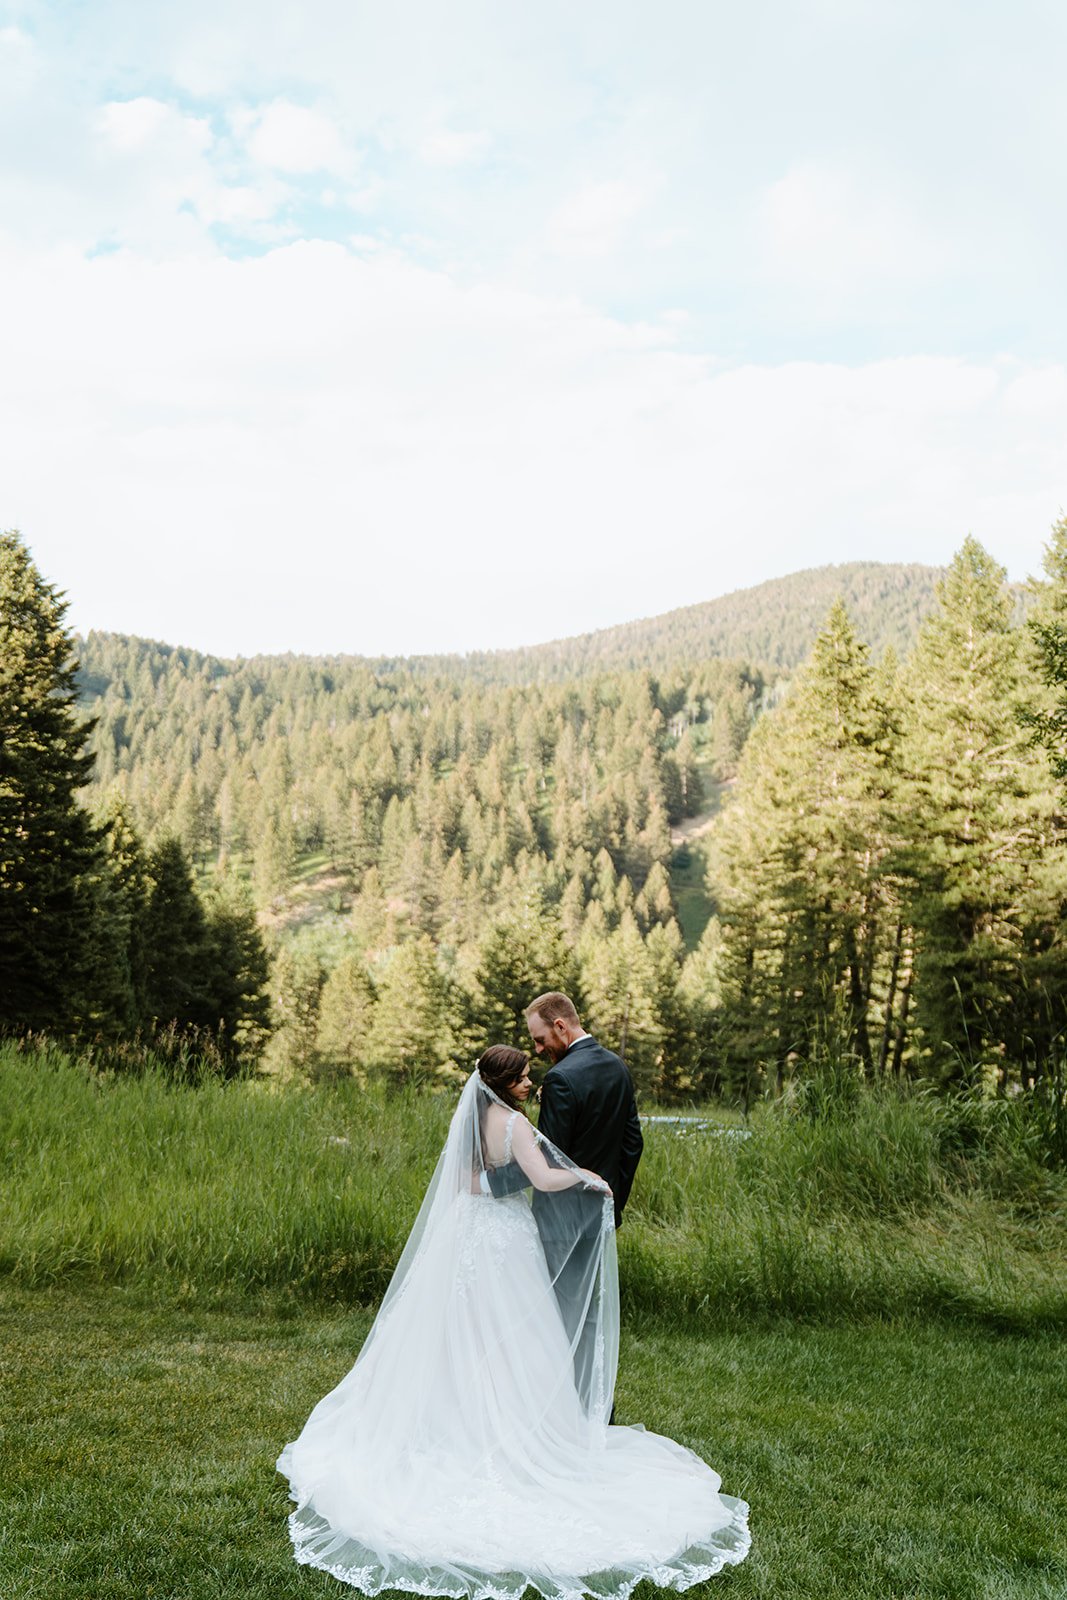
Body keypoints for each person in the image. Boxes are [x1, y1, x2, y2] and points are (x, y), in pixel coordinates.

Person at [277, 1047, 750, 1600]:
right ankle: (511, 1429)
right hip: (503, 1241)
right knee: (514, 1334)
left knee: (460, 1332)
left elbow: (465, 1182)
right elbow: (542, 1181)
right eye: (523, 1078)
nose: (532, 1083)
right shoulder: (516, 1126)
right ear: (503, 1083)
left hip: (463, 1236)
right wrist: (588, 1179)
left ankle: (451, 1418)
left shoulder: (471, 1120)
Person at [525, 991, 644, 1409]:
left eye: (541, 1040)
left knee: (558, 1316)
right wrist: (612, 1203)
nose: (538, 1050)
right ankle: (597, 1409)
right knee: (591, 1317)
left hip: (561, 1221)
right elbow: (633, 1145)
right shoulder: (617, 1067)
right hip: (600, 1217)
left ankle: (562, 1414)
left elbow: (551, 1159)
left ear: (561, 1025)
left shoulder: (560, 1079)